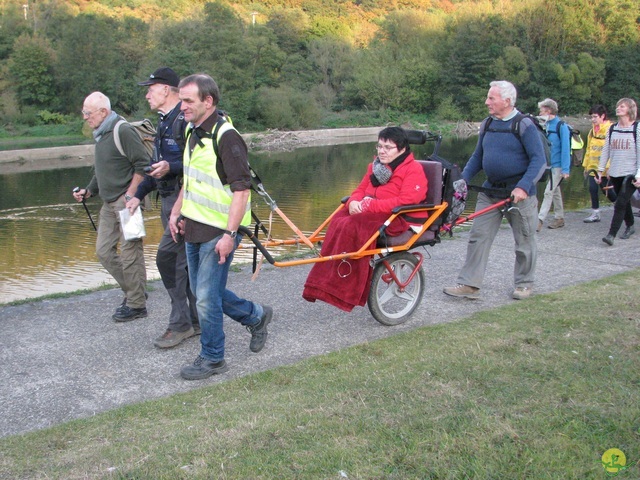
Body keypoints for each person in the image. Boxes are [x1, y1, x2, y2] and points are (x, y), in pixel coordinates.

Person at [169, 73, 273, 380]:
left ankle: (213, 357)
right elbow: (189, 180)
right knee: (205, 291)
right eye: (181, 100)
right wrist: (177, 212)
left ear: (208, 101)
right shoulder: (191, 131)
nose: (182, 106)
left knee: (205, 295)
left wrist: (229, 235)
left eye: (188, 101)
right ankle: (256, 316)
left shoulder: (227, 137)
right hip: (194, 227)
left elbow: (242, 191)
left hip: (219, 232)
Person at [302, 126, 428, 311]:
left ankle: (345, 289)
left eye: (387, 147)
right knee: (339, 219)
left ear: (401, 149)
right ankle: (323, 283)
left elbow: (408, 200)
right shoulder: (375, 167)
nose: (382, 151)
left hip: (400, 217)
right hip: (374, 212)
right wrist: (353, 202)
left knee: (354, 225)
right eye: (379, 146)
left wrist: (370, 205)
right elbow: (360, 190)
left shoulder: (413, 169)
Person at [443, 80, 546, 300]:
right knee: (478, 236)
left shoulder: (524, 125)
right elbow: (478, 157)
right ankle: (470, 285)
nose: (487, 101)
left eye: (492, 98)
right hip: (490, 192)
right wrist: (461, 181)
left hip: (519, 196)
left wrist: (523, 187)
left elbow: (539, 161)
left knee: (525, 241)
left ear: (507, 101)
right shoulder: (488, 124)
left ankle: (524, 284)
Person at [124, 67, 200, 348]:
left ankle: (181, 325)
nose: (147, 94)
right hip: (168, 200)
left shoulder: (185, 120)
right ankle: (194, 320)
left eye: (150, 88)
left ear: (166, 89)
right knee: (182, 264)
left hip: (185, 202)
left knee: (170, 260)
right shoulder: (165, 121)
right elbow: (155, 166)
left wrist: (172, 167)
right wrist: (137, 194)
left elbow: (198, 163)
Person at [72, 92, 149, 321]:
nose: (85, 117)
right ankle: (136, 291)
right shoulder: (101, 134)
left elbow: (143, 165)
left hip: (128, 201)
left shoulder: (121, 130)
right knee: (103, 251)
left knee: (130, 252)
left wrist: (130, 194)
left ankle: (137, 305)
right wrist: (89, 191)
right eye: (84, 113)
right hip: (108, 203)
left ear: (103, 112)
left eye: (88, 113)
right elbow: (102, 170)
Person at [598, 98, 640, 246]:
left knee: (620, 202)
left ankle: (611, 234)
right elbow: (606, 150)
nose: (618, 109)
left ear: (630, 110)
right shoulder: (612, 128)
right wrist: (601, 169)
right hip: (615, 172)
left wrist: (639, 174)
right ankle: (630, 225)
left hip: (631, 173)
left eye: (622, 106)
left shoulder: (637, 128)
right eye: (617, 106)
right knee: (624, 202)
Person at [536, 98, 571, 231]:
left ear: (548, 110)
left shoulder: (561, 126)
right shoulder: (545, 125)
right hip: (548, 165)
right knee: (554, 190)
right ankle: (559, 218)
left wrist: (566, 169)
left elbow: (566, 148)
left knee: (548, 192)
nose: (540, 113)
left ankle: (539, 220)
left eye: (542, 110)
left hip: (558, 166)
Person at [582, 105, 616, 223]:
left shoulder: (610, 129)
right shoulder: (592, 131)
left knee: (606, 190)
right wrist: (586, 166)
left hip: (606, 168)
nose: (593, 119)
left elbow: (613, 150)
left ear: (603, 116)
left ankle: (621, 208)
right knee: (592, 189)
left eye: (595, 116)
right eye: (591, 117)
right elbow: (589, 149)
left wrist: (608, 168)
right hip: (593, 167)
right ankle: (595, 213)